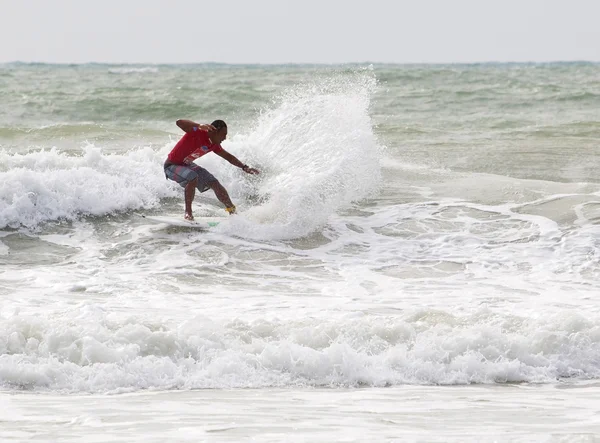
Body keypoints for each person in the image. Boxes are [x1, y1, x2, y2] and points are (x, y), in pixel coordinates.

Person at [164, 119, 259, 220]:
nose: (225, 138)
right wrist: (199, 125)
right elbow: (179, 122)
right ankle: (188, 213)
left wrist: (245, 167)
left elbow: (228, 157)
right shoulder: (197, 131)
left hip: (187, 165)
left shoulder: (214, 145)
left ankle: (232, 211)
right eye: (223, 134)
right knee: (193, 177)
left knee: (214, 183)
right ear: (215, 131)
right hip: (171, 166)